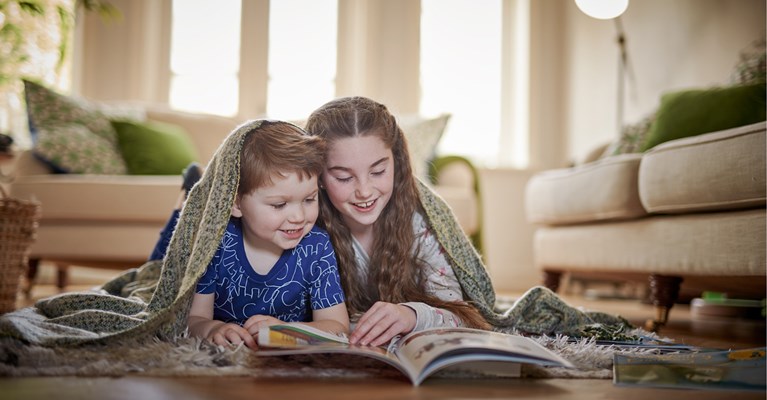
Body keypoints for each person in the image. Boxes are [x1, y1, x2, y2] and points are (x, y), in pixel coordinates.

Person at [304, 97, 491, 347]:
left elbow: (463, 315)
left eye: (378, 172)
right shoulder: (305, 225)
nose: (364, 191)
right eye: (344, 177)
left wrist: (411, 316)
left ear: (397, 162)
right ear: (318, 177)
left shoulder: (420, 223)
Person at [149, 120, 349, 350]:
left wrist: (289, 330)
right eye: (279, 204)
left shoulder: (317, 246)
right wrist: (212, 329)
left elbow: (337, 326)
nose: (298, 216)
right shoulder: (215, 242)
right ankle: (190, 190)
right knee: (158, 264)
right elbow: (192, 320)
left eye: (309, 199)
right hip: (198, 231)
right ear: (236, 203)